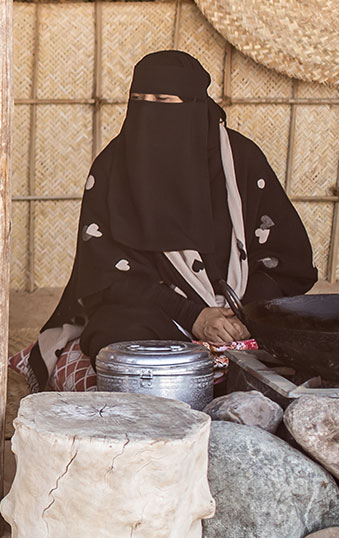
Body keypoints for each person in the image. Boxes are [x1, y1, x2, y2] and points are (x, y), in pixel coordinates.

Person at [18, 50, 316, 392]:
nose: (149, 110)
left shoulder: (241, 161)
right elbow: (103, 275)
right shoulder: (114, 167)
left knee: (309, 327)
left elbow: (285, 260)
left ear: (192, 104)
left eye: (162, 99)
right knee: (114, 332)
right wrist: (194, 316)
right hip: (161, 314)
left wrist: (245, 317)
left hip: (244, 306)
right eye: (138, 99)